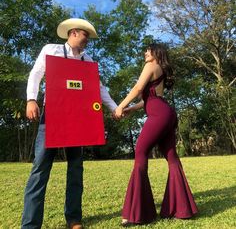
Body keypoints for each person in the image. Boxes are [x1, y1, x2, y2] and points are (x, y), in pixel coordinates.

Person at [22, 18, 117, 229]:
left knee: (76, 168)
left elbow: (99, 88)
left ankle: (74, 218)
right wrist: (31, 99)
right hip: (52, 117)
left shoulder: (88, 61)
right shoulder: (51, 50)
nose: (87, 41)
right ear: (73, 33)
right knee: (40, 169)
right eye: (85, 36)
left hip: (79, 120)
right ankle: (30, 224)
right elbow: (36, 74)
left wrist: (114, 107)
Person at [114, 43, 198, 226]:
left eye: (148, 50)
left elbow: (137, 89)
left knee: (141, 152)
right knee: (172, 158)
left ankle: (138, 213)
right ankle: (181, 209)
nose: (145, 53)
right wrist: (131, 109)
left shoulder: (150, 65)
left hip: (159, 115)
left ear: (156, 53)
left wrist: (120, 106)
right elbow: (151, 99)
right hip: (167, 113)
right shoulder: (160, 69)